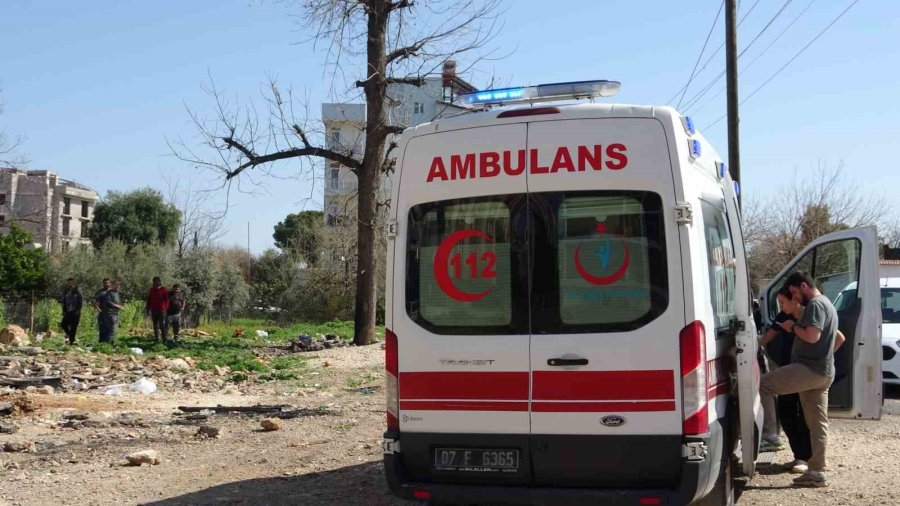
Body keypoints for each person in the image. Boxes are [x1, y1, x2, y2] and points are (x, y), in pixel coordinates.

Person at [759, 272, 840, 488]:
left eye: (795, 292)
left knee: (764, 384)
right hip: (823, 373)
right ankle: (817, 471)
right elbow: (837, 338)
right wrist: (825, 356)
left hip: (809, 369)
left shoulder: (814, 304)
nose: (795, 297)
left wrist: (792, 327)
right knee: (817, 424)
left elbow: (812, 336)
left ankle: (770, 436)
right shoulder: (828, 304)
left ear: (803, 286)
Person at [59, 278, 84, 345]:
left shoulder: (77, 291)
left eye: (70, 283)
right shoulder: (66, 291)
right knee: (63, 324)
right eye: (68, 283)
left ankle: (71, 342)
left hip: (75, 312)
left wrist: (78, 310)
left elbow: (80, 301)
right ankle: (69, 335)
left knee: (73, 327)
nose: (69, 284)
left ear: (73, 283)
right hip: (68, 311)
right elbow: (64, 302)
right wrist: (63, 310)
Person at [145, 277, 170, 343]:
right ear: (153, 282)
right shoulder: (152, 290)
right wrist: (147, 309)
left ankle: (164, 339)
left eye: (158, 281)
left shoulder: (163, 289)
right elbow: (149, 300)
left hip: (162, 310)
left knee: (162, 325)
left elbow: (167, 300)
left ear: (160, 282)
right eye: (155, 281)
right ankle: (156, 338)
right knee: (155, 325)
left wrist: (165, 308)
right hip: (154, 310)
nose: (156, 283)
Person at [103, 280, 124, 345]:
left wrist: (120, 306)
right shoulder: (109, 293)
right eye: (116, 284)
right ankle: (108, 345)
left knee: (114, 330)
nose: (118, 286)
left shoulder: (117, 293)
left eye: (119, 284)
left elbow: (117, 302)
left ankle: (111, 344)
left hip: (116, 313)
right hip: (110, 314)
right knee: (112, 329)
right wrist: (117, 306)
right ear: (113, 285)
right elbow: (108, 302)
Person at [91, 278, 111, 343]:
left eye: (107, 283)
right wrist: (98, 309)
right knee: (102, 329)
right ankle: (101, 344)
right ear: (103, 284)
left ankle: (109, 344)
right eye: (104, 283)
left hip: (111, 314)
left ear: (110, 283)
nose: (106, 284)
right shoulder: (100, 292)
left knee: (111, 330)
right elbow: (93, 301)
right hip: (103, 314)